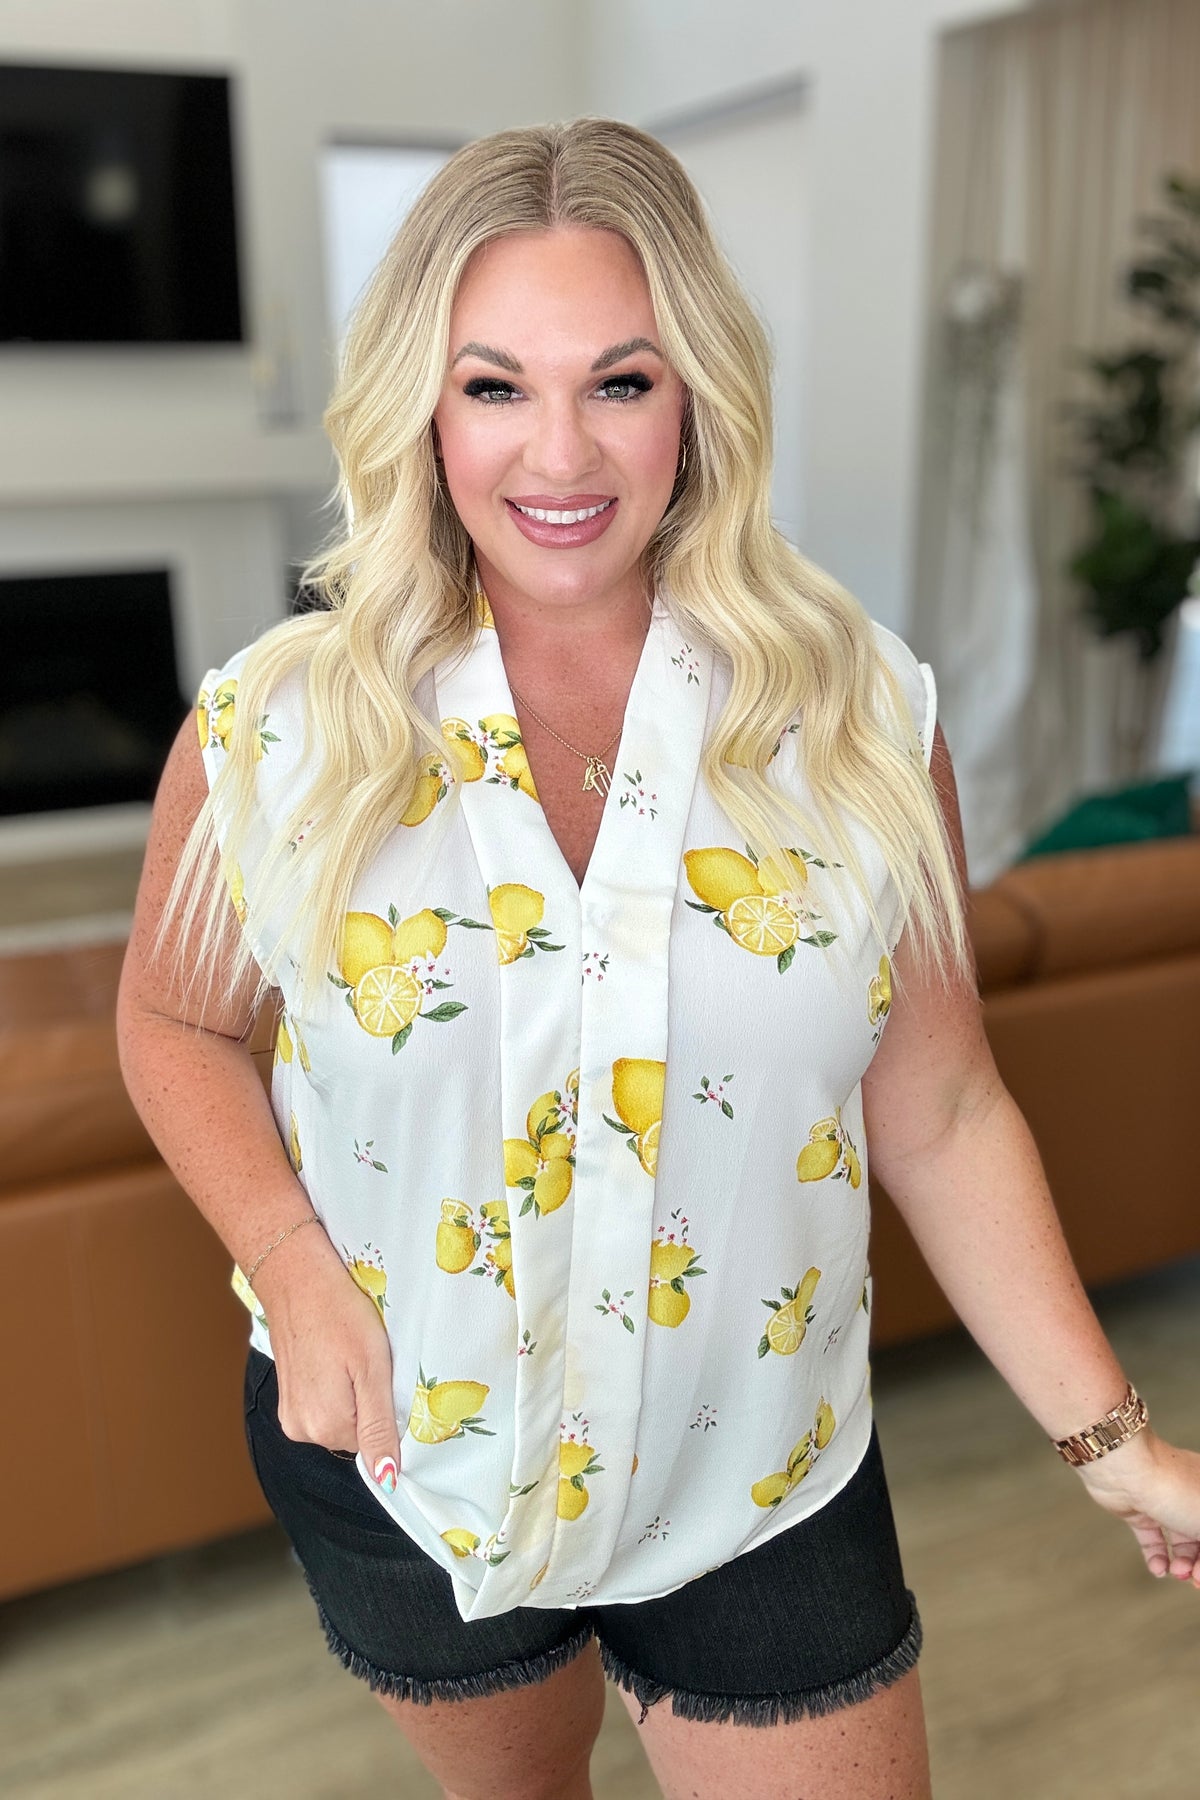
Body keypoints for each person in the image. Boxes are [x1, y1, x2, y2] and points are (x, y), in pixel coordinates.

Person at [116, 118, 1200, 1800]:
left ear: (694, 397)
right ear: (421, 406)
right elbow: (175, 1024)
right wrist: (293, 1265)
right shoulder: (277, 728)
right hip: (413, 1461)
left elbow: (942, 1108)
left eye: (619, 381)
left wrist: (1114, 1443)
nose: (561, 451)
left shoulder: (859, 716)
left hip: (759, 1468)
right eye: (495, 386)